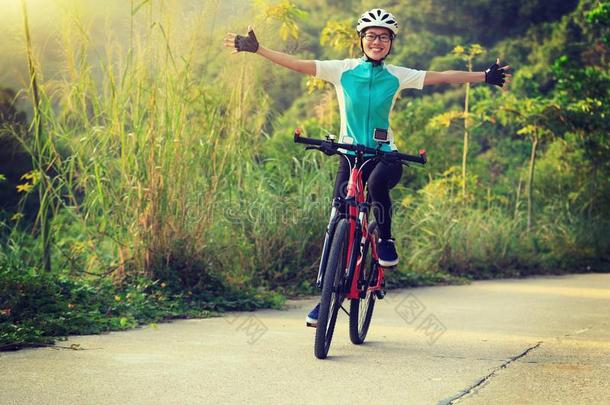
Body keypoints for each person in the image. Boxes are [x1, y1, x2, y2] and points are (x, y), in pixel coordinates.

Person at [224, 8, 511, 327]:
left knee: (376, 187)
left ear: (391, 43)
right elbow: (299, 65)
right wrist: (258, 49)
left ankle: (385, 238)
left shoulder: (398, 75)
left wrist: (484, 77)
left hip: (385, 156)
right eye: (371, 36)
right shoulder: (342, 70)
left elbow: (442, 76)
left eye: (384, 37)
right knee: (336, 219)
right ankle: (326, 299)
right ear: (361, 40)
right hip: (350, 154)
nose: (377, 41)